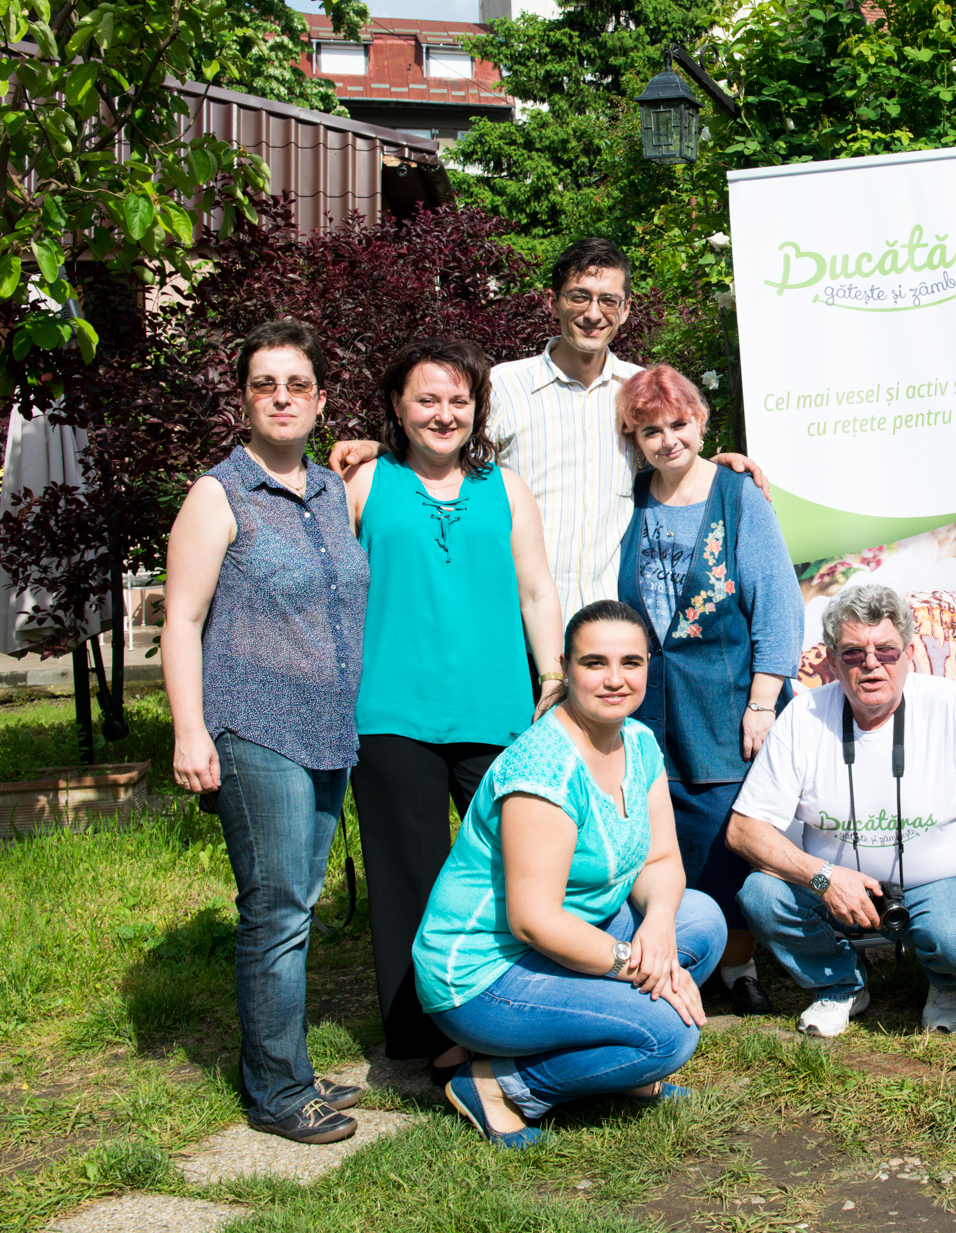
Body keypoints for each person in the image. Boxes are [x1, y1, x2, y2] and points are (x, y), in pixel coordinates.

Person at [161, 318, 370, 1144]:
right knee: (277, 909)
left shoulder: (329, 490)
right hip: (254, 728)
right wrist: (189, 730)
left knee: (299, 903)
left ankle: (289, 1067)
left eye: (297, 385)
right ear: (244, 399)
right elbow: (181, 619)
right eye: (264, 384)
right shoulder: (218, 493)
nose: (281, 398)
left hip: (328, 729)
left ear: (320, 399)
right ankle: (278, 1094)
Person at [412, 601, 726, 1148]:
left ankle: (595, 1054)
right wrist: (639, 966)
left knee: (701, 920)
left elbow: (660, 862)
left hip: (575, 937)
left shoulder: (640, 742)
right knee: (667, 1039)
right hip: (485, 974)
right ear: (564, 666)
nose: (614, 679)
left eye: (631, 662)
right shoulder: (543, 769)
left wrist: (656, 929)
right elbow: (534, 922)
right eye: (594, 663)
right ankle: (495, 1084)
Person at [330, 238, 761, 623]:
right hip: (512, 618)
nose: (594, 314)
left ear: (627, 308)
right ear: (552, 302)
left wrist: (715, 465)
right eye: (579, 297)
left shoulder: (638, 393)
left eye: (608, 300)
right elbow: (441, 455)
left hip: (613, 624)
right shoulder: (501, 387)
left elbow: (671, 458)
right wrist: (382, 448)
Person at [344, 338, 567, 1079]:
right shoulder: (364, 482)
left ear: (477, 410)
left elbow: (536, 590)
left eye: (459, 401)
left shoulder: (506, 487)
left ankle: (514, 1010)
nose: (444, 414)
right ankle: (419, 1036)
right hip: (391, 712)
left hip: (498, 711)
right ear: (398, 409)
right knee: (407, 879)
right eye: (427, 399)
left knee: (511, 872)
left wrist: (554, 673)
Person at [726, 582, 956, 1038]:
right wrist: (824, 878)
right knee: (760, 896)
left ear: (908, 653)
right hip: (835, 888)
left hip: (935, 884)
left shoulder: (950, 704)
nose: (870, 664)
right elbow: (743, 831)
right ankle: (840, 983)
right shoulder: (802, 717)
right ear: (829, 658)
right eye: (852, 653)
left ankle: (948, 983)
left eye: (885, 650)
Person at [615, 364, 800, 1016]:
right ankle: (674, 958)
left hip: (725, 699)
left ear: (700, 422)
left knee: (725, 832)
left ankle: (740, 967)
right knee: (661, 830)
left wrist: (762, 701)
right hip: (645, 700)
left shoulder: (737, 496)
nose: (668, 440)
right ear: (635, 439)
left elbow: (776, 603)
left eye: (679, 424)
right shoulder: (628, 497)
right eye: (651, 430)